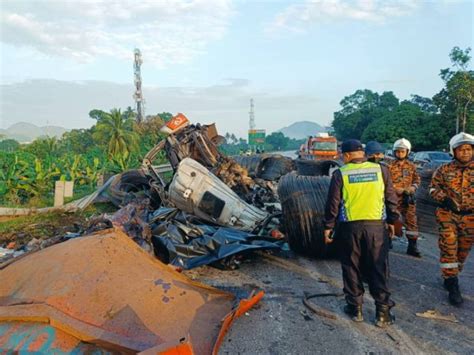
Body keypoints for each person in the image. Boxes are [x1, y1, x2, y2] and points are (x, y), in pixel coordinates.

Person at [324, 139, 399, 327]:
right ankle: (382, 312)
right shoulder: (381, 170)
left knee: (351, 267)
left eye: (343, 155)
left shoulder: (341, 173)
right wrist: (392, 221)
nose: (342, 158)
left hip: (350, 229)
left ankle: (355, 308)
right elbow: (390, 198)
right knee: (377, 267)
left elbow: (333, 204)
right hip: (376, 228)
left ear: (348, 155)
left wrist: (328, 227)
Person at [429, 132, 474, 306]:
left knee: (462, 251)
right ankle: (452, 284)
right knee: (449, 247)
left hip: (470, 218)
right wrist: (444, 199)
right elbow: (432, 189)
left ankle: (452, 273)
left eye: (469, 149)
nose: (465, 153)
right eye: (461, 150)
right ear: (453, 151)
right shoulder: (444, 170)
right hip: (448, 215)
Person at [387, 138, 422, 257]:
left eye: (402, 151)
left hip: (408, 199)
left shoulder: (412, 166)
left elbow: (417, 179)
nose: (400, 154)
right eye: (398, 151)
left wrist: (413, 187)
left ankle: (412, 246)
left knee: (412, 222)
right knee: (390, 219)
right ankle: (388, 241)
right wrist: (395, 189)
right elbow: (385, 181)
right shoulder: (389, 166)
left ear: (407, 152)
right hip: (393, 199)